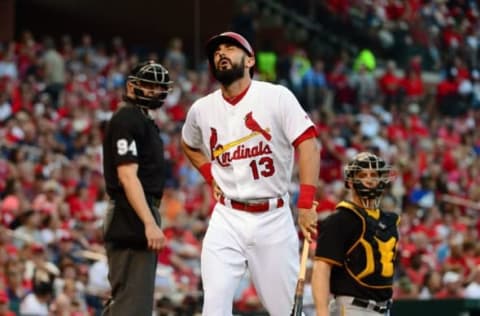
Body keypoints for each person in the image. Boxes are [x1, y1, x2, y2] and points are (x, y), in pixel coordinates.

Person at [181, 31, 320, 316]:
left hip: (273, 217)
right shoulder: (201, 109)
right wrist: (210, 176)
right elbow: (188, 144)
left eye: (230, 48)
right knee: (214, 306)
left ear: (250, 60)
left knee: (285, 310)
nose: (221, 53)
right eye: (216, 51)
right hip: (227, 216)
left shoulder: (276, 96)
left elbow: (308, 144)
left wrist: (306, 203)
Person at [101, 60, 173, 316]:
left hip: (137, 211)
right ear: (132, 86)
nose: (153, 91)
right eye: (147, 84)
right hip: (131, 213)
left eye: (158, 86)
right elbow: (128, 176)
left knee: (128, 301)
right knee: (133, 305)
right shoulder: (127, 117)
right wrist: (149, 223)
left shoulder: (141, 119)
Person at [312, 152, 399, 316]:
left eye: (374, 174)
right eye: (362, 175)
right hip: (352, 308)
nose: (369, 179)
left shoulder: (389, 220)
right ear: (350, 182)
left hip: (384, 309)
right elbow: (322, 269)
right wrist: (322, 312)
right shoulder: (340, 219)